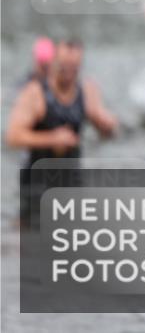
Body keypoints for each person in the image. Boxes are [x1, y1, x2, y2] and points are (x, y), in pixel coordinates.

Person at [7, 38, 119, 226]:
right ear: (53, 62)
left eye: (75, 67)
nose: (69, 72)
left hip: (70, 179)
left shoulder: (87, 90)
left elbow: (105, 128)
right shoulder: (35, 93)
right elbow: (13, 136)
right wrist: (51, 138)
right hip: (36, 180)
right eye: (64, 66)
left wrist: (107, 126)